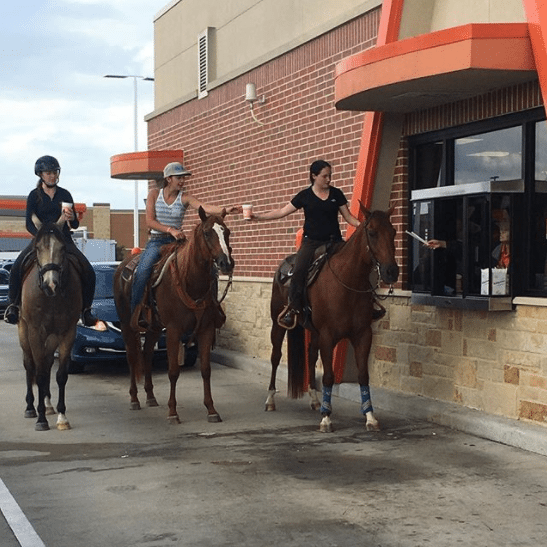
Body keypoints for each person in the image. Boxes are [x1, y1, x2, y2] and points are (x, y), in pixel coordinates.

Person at [248, 159, 362, 329]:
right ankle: (293, 309)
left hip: (334, 241)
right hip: (312, 242)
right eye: (325, 176)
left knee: (356, 264)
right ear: (314, 176)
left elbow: (349, 217)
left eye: (330, 176)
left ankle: (367, 303)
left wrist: (364, 226)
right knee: (299, 270)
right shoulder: (305, 196)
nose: (329, 179)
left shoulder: (336, 194)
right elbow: (281, 212)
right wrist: (257, 217)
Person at [130, 161, 239, 327]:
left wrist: (225, 209)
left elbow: (204, 207)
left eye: (184, 178)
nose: (182, 181)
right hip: (157, 241)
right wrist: (170, 230)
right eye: (179, 177)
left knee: (211, 271)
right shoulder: (154, 194)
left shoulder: (184, 197)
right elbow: (150, 221)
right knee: (143, 270)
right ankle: (137, 312)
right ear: (168, 178)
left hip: (178, 242)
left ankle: (213, 309)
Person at [4, 155, 97, 326]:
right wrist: (40, 237)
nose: (52, 176)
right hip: (41, 241)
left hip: (64, 240)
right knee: (17, 266)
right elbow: (28, 223)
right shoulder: (34, 196)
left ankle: (86, 310)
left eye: (54, 172)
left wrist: (72, 217)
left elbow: (74, 224)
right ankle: (13, 306)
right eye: (48, 172)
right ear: (40, 174)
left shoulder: (65, 194)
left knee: (88, 270)